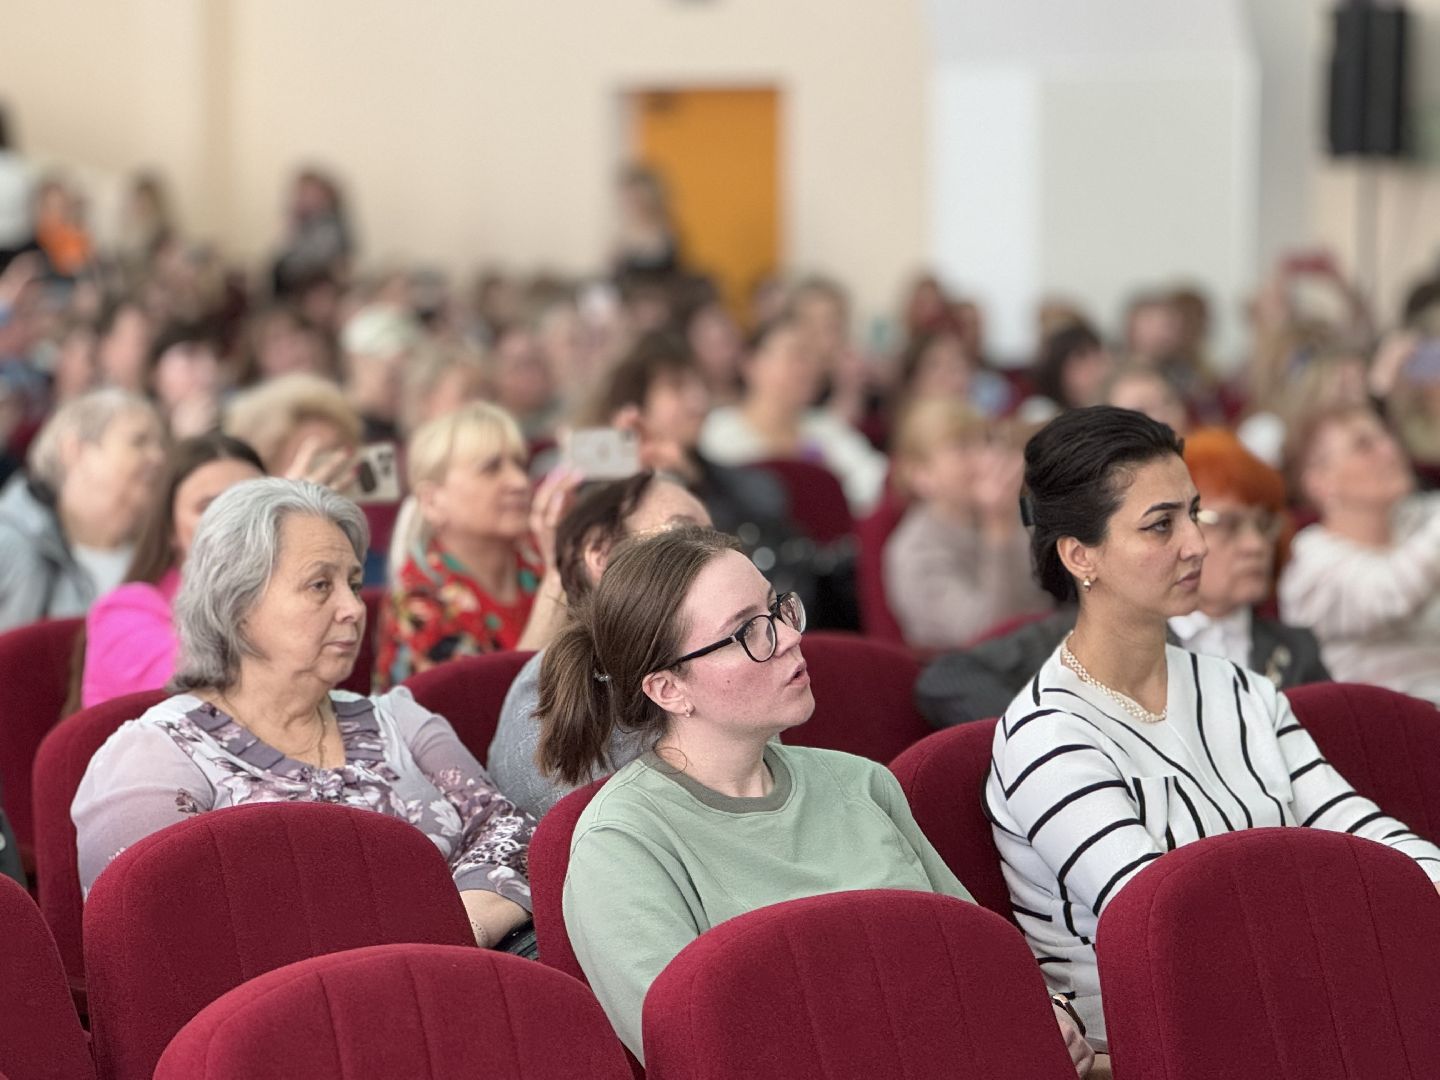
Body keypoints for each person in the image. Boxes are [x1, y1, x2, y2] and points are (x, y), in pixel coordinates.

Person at [536, 526, 1093, 1073]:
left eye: (777, 609)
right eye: (749, 632)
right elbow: (702, 1055)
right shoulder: (622, 844)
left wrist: (1046, 1010)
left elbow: (977, 960)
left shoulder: (861, 783)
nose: (789, 636)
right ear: (668, 689)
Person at [983, 406, 1440, 1054]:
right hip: (1166, 1050)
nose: (1196, 543)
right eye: (1160, 526)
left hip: (1305, 1010)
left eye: (1192, 514)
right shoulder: (1046, 737)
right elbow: (1169, 930)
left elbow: (1361, 830)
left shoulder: (1239, 689)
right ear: (1081, 556)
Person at [72, 478, 535, 950]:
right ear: (237, 601)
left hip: (465, 976)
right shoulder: (153, 758)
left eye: (354, 584)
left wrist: (459, 931)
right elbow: (156, 948)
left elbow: (508, 830)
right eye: (320, 585)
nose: (354, 608)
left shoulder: (400, 720)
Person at [914, 426, 1331, 727]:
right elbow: (946, 678)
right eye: (1229, 524)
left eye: (1265, 525)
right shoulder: (1086, 643)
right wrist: (1053, 731)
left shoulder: (1297, 648)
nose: (1256, 545)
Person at [487, 472, 710, 819]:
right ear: (602, 554)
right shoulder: (546, 695)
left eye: (714, 538)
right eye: (684, 532)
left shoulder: (724, 654)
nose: (714, 556)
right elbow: (605, 842)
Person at [375, 402, 575, 689]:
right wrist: (557, 576)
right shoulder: (419, 601)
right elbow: (493, 717)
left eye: (520, 464)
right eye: (491, 469)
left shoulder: (538, 558)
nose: (519, 482)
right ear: (432, 500)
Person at [80, 434, 265, 708]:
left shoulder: (296, 598)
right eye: (210, 507)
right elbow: (204, 697)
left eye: (254, 507)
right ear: (169, 529)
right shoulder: (122, 611)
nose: (237, 525)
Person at [1279, 405, 1440, 703]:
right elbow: (1390, 595)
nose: (1390, 449)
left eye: (1387, 437)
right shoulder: (1311, 563)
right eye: (1364, 445)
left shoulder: (1416, 520)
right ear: (1320, 481)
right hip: (1390, 736)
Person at [885, 400, 1049, 649]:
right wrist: (999, 527)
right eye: (962, 448)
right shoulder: (914, 550)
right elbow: (990, 636)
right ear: (921, 475)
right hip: (974, 675)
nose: (985, 458)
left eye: (985, 441)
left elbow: (1046, 597)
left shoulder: (1007, 512)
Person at [0, 388, 165, 631]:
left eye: (161, 444)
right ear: (75, 450)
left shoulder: (161, 550)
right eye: (139, 441)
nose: (158, 457)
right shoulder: (10, 542)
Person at [700, 316, 887, 515]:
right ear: (751, 364)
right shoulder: (715, 432)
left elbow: (874, 479)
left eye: (813, 358)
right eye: (796, 356)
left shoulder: (828, 429)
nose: (808, 368)